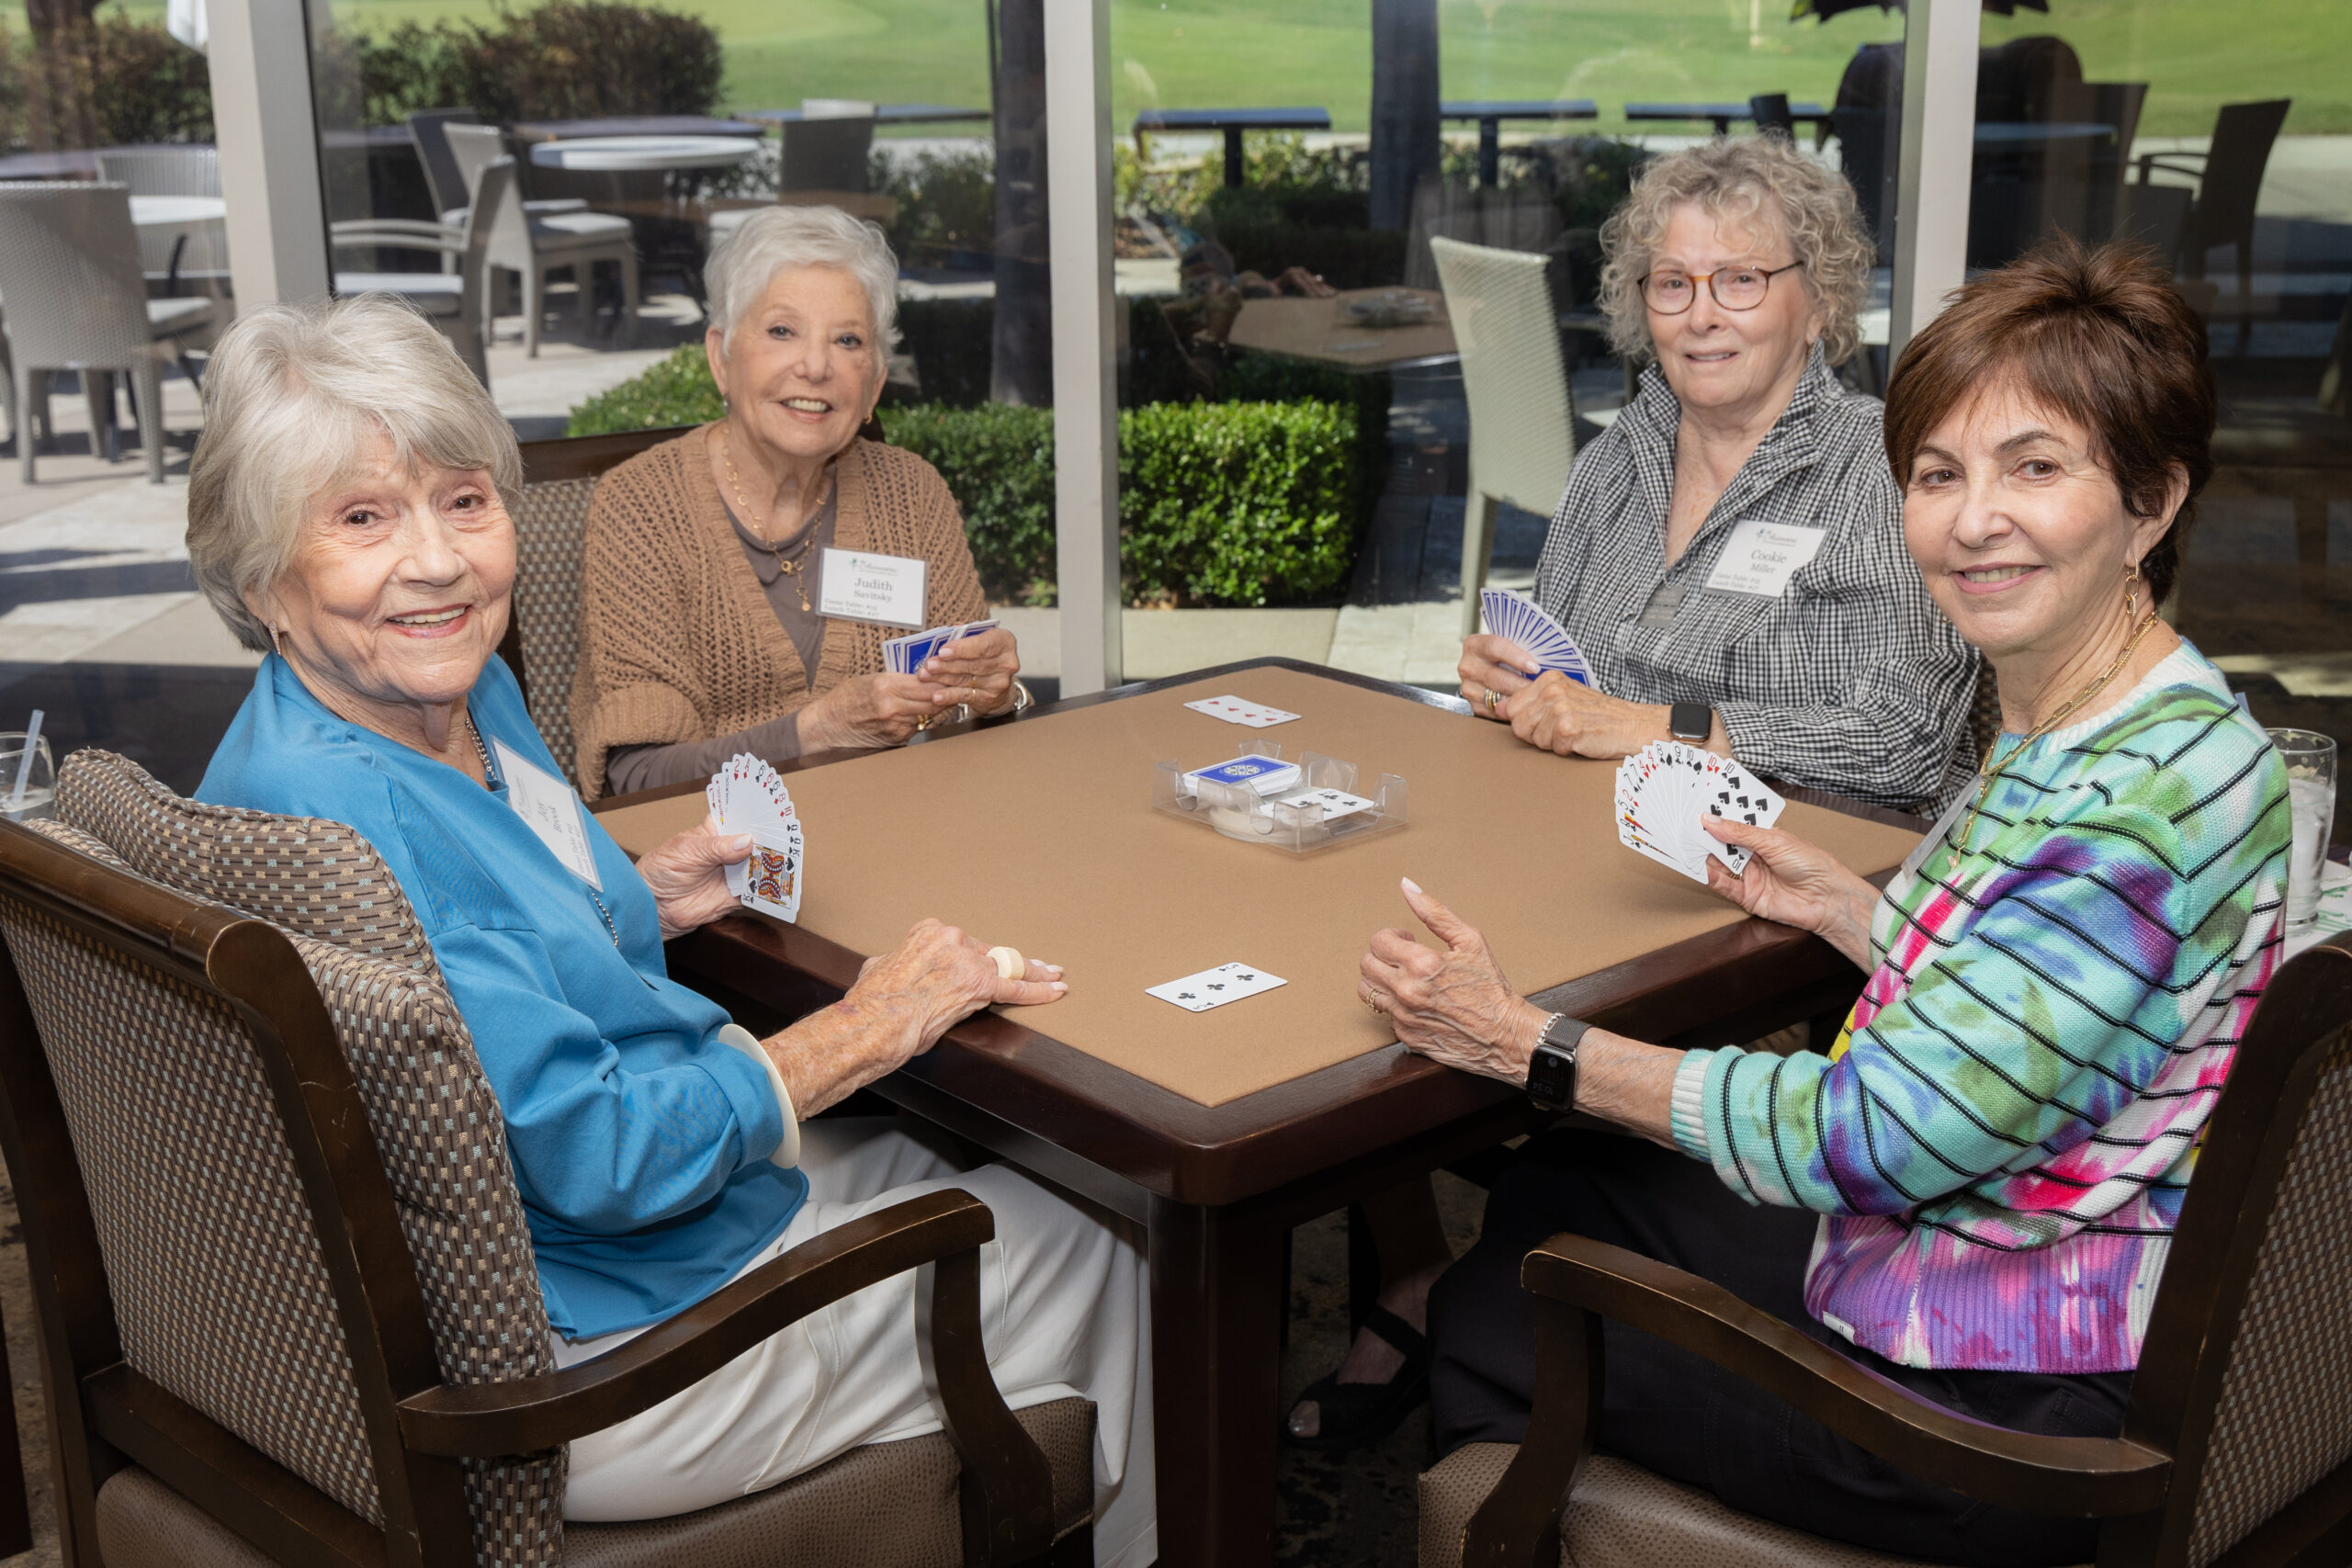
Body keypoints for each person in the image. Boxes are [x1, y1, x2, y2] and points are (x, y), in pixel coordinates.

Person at [187, 295, 1154, 1566]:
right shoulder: (360, 826)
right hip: (593, 1350)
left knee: (963, 1155)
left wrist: (645, 892)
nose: (438, 562)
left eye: (464, 501)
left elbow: (490, 948)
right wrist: (864, 1028)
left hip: (553, 1247)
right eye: (362, 518)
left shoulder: (436, 692)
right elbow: (602, 1153)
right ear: (263, 573)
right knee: (1111, 1228)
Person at [1359, 240, 2289, 1564]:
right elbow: (2042, 1011)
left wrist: (1527, 1043)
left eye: (2035, 467)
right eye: (1937, 474)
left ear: (2150, 503)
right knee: (1565, 1179)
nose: (1973, 520)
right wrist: (1854, 910)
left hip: (2003, 1412)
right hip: (2048, 1273)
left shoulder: (2130, 803)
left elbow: (1869, 1133)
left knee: (1508, 1294)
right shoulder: (2145, 718)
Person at [1293, 134, 1980, 1449]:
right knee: (1369, 938)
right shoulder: (1621, 453)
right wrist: (1515, 679)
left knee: (1448, 1002)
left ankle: (1517, 1286)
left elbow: (1897, 740)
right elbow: (1568, 660)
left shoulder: (1886, 469)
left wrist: (1654, 724)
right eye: (1673, 284)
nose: (1701, 313)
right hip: (1598, 850)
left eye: (1740, 280)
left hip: (1795, 895)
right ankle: (1418, 1272)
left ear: (1817, 299)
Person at [570, 205, 1027, 802]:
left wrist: (996, 697)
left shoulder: (912, 494)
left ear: (874, 384)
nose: (815, 366)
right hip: (719, 850)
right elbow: (636, 780)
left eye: (847, 340)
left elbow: (968, 729)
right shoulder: (642, 507)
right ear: (721, 358)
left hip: (907, 825)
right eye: (782, 331)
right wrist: (815, 732)